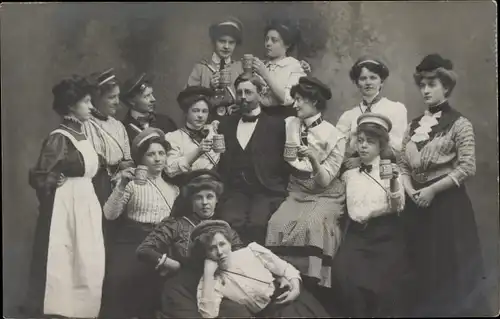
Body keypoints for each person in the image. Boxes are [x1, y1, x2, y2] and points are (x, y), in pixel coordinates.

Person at [399, 54, 488, 316]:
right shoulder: (413, 126)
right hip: (416, 207)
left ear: (446, 87)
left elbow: (467, 167)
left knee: (448, 270)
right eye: (422, 85)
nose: (425, 90)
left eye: (432, 84)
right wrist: (410, 190)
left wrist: (432, 190)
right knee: (418, 266)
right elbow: (403, 165)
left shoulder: (460, 124)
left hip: (448, 208)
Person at [23, 75, 105, 318]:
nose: (91, 107)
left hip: (85, 203)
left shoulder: (82, 135)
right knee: (65, 262)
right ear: (71, 106)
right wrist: (52, 180)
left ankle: (83, 311)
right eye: (86, 102)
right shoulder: (59, 137)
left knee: (87, 262)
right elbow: (40, 174)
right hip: (66, 207)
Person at [265, 77, 346, 301]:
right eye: (295, 99)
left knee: (312, 224)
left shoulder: (335, 136)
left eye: (300, 100)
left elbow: (325, 179)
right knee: (276, 223)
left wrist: (313, 160)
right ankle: (282, 280)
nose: (295, 104)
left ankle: (312, 286)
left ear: (315, 102)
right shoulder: (290, 123)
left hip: (325, 192)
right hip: (297, 190)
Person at [135, 169, 248, 318]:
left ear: (217, 200)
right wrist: (171, 264)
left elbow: (242, 258)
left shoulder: (225, 230)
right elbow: (144, 250)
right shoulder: (175, 225)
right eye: (199, 198)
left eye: (209, 197)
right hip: (182, 289)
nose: (205, 203)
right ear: (191, 201)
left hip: (217, 287)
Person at [331, 113, 413, 317]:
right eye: (360, 141)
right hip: (357, 235)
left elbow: (398, 206)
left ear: (381, 146)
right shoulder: (349, 174)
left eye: (370, 142)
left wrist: (394, 181)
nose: (364, 146)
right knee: (343, 275)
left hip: (385, 234)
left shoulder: (391, 171)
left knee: (383, 286)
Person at [100, 128, 179, 319]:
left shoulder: (173, 189)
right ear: (141, 158)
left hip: (159, 246)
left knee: (154, 295)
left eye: (161, 153)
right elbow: (109, 215)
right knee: (119, 286)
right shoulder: (130, 184)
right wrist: (121, 186)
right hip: (130, 244)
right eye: (151, 154)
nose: (158, 158)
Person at [193, 220, 330, 318]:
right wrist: (208, 274)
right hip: (269, 313)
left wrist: (295, 288)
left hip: (291, 299)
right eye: (212, 248)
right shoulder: (210, 282)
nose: (220, 252)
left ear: (229, 242)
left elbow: (286, 269)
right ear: (205, 253)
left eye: (222, 244)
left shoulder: (251, 251)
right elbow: (209, 314)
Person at [215, 73, 291, 245]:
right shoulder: (226, 124)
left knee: (258, 224)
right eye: (239, 92)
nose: (243, 97)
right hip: (235, 190)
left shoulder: (277, 125)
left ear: (260, 93)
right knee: (230, 222)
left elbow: (284, 162)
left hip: (265, 189)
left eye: (248, 92)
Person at [336, 57, 407, 167]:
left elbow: (398, 149)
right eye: (363, 79)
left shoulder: (396, 109)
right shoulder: (348, 116)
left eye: (373, 78)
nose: (368, 83)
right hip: (353, 170)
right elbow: (337, 149)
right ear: (357, 83)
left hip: (385, 168)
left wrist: (362, 160)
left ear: (381, 82)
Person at [83, 68, 135, 207]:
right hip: (95, 190)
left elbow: (128, 160)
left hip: (119, 189)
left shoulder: (118, 126)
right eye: (111, 97)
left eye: (118, 96)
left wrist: (123, 171)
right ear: (96, 99)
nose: (118, 102)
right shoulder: (85, 125)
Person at [187, 17, 244, 121]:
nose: (226, 46)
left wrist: (239, 106)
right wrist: (209, 89)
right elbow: (187, 101)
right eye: (222, 41)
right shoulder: (201, 68)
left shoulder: (240, 68)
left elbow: (249, 98)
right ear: (214, 42)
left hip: (235, 122)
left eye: (231, 42)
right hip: (207, 122)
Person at [164, 86, 220, 185]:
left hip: (215, 185)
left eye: (204, 111)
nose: (200, 115)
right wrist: (197, 152)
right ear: (186, 112)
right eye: (195, 110)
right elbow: (170, 170)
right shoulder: (174, 138)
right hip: (190, 188)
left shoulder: (214, 132)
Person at [252, 20, 307, 119]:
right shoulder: (262, 65)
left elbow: (286, 99)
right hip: (260, 117)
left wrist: (265, 74)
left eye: (274, 40)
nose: (268, 44)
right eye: (266, 39)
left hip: (282, 119)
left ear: (287, 44)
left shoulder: (294, 66)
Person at [121, 73, 177, 145]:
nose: (153, 99)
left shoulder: (166, 122)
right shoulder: (122, 130)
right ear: (131, 101)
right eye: (147, 96)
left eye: (152, 94)